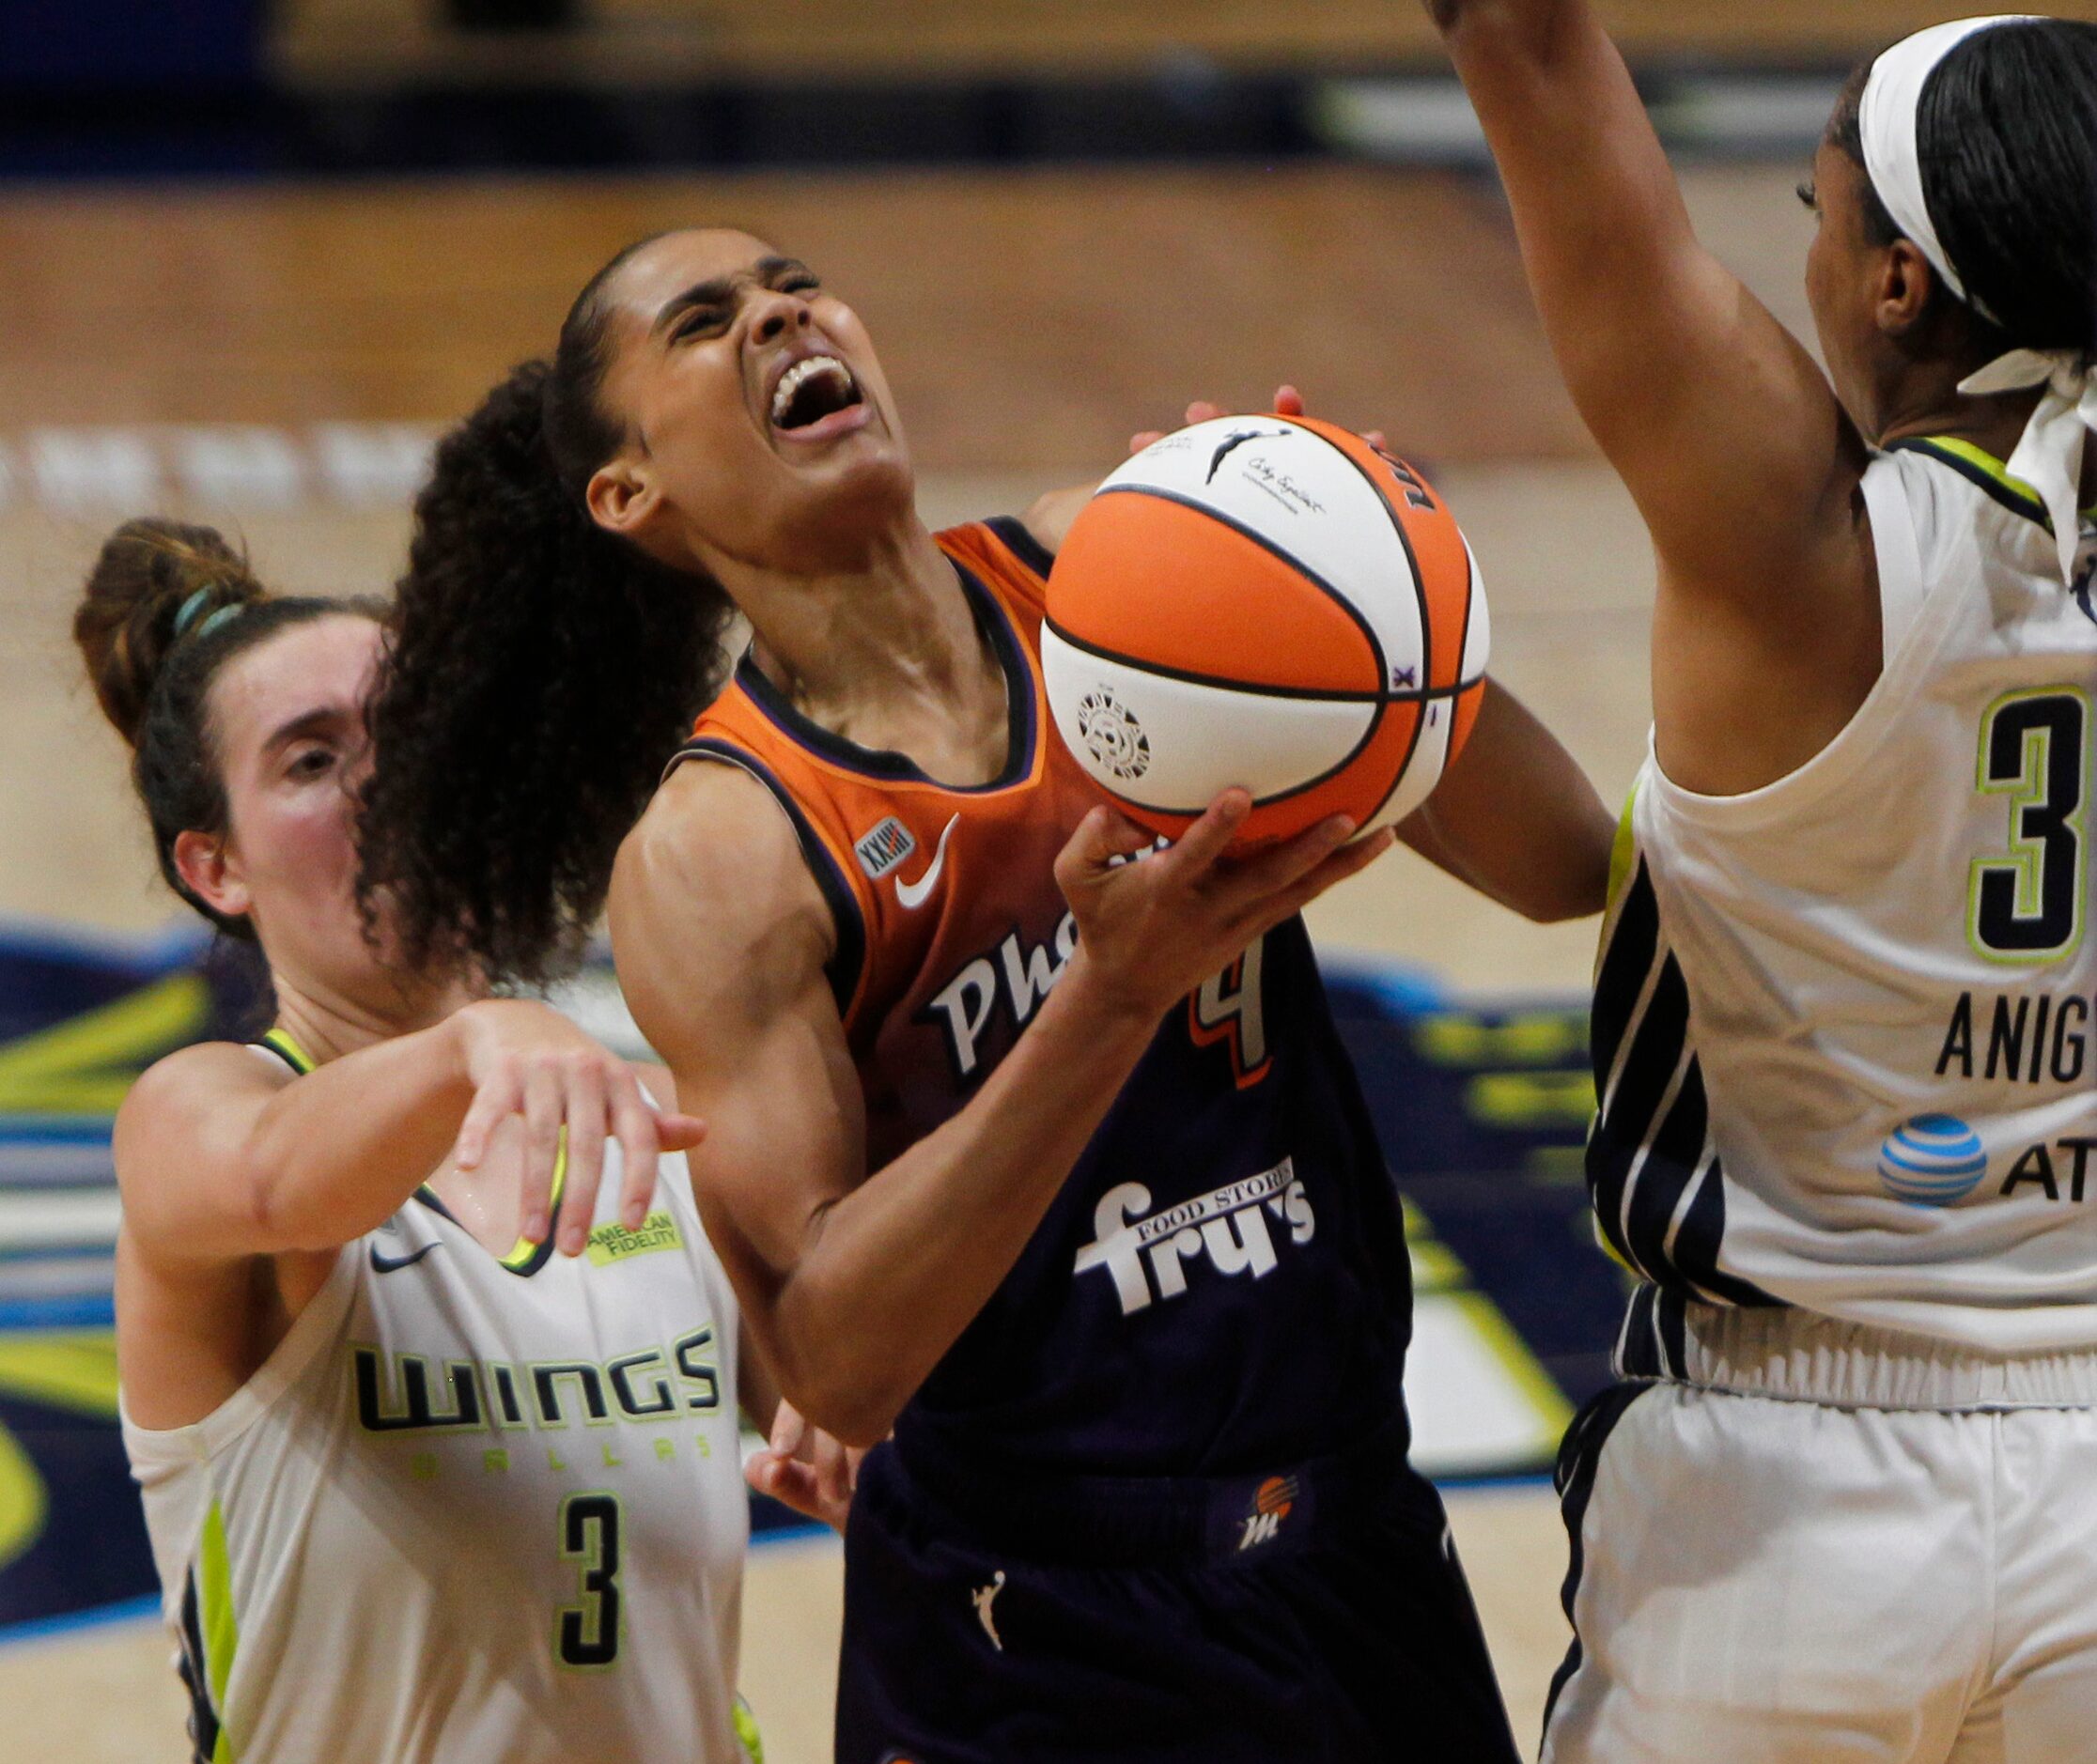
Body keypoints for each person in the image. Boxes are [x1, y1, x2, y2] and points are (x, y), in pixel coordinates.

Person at [354, 230, 1616, 1760]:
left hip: (1351, 1539)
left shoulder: (1109, 575)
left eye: (792, 284)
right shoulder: (727, 848)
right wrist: (1110, 994)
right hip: (1039, 1636)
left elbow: (1562, 865)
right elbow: (836, 1360)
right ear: (631, 492)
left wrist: (1367, 588)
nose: (780, 317)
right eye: (707, 322)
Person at [1421, 4, 2097, 1756]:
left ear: (1897, 289)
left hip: (1791, 1496)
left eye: (1813, 215)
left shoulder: (1797, 542)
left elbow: (1525, 40)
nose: (1797, 258)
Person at [86, 518, 847, 1764]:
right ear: (214, 866)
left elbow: (879, 1417)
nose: (387, 782)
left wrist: (882, 1470)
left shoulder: (660, 1131)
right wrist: (468, 1041)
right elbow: (275, 1176)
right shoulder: (201, 1113)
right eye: (313, 760)